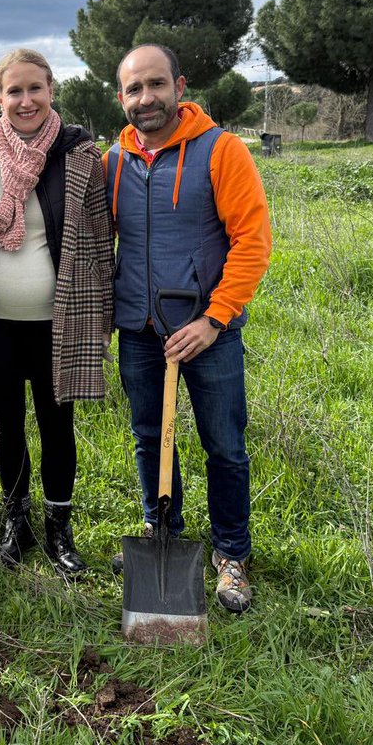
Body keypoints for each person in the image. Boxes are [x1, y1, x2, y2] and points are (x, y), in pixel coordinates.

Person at [106, 44, 272, 613]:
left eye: (156, 84)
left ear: (179, 87)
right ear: (121, 97)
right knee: (149, 436)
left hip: (208, 332)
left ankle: (232, 553)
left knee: (224, 445)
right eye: (134, 89)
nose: (146, 98)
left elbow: (252, 242)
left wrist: (213, 319)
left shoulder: (222, 151)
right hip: (140, 329)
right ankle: (161, 531)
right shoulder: (113, 162)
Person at [0, 49, 114, 577]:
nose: (26, 100)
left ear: (51, 90)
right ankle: (15, 520)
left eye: (35, 89)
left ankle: (58, 529)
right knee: (6, 424)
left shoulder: (80, 154)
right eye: (14, 91)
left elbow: (101, 238)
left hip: (59, 322)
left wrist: (103, 316)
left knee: (57, 424)